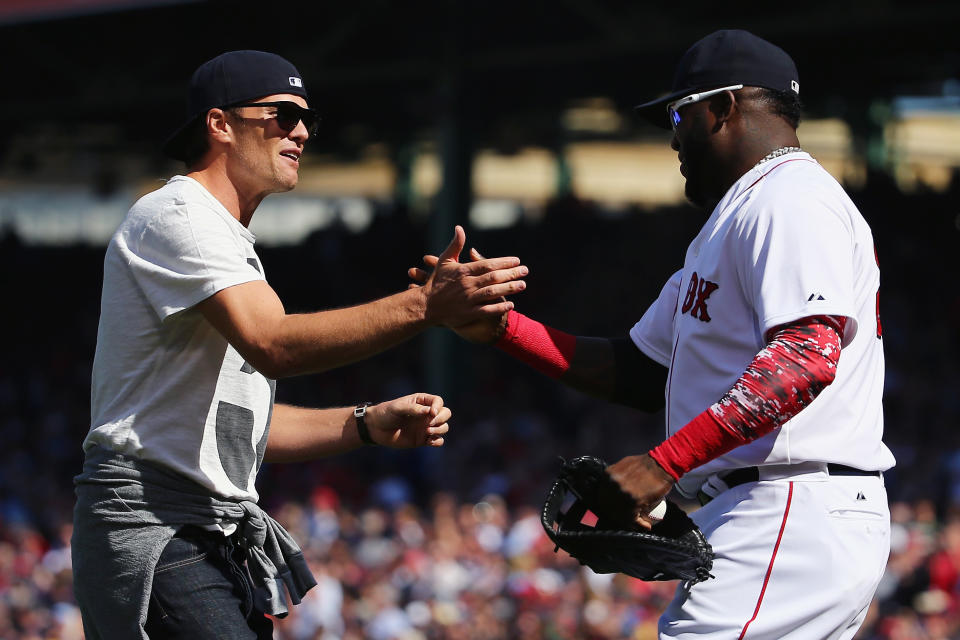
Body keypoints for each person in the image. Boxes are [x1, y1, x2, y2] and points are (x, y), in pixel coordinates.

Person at [413, 30, 894, 639]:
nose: (672, 137)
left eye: (679, 114)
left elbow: (806, 359)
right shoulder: (733, 221)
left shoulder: (790, 199)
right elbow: (640, 371)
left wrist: (664, 464)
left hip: (790, 505)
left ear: (723, 108)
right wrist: (503, 329)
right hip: (773, 510)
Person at [71, 50, 528, 640]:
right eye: (282, 114)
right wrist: (424, 306)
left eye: (306, 118)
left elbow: (243, 430)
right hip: (156, 528)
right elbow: (273, 344)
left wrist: (365, 422)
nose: (302, 131)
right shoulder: (178, 214)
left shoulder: (226, 238)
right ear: (220, 124)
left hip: (206, 532)